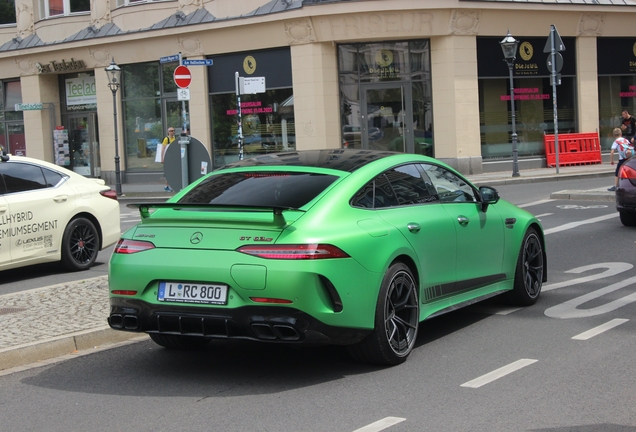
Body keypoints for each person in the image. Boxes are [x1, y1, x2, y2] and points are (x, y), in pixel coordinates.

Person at [608, 127, 633, 191]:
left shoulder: (616, 142)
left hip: (622, 159)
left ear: (614, 136)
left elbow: (612, 152)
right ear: (621, 134)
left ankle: (616, 186)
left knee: (617, 172)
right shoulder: (626, 140)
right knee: (629, 172)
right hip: (628, 159)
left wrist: (611, 161)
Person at [161, 127, 176, 192]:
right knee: (169, 172)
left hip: (173, 157)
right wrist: (162, 158)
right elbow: (163, 149)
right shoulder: (166, 139)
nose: (173, 132)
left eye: (173, 130)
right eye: (171, 131)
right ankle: (166, 186)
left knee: (173, 172)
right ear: (168, 132)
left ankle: (168, 185)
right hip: (168, 158)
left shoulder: (174, 138)